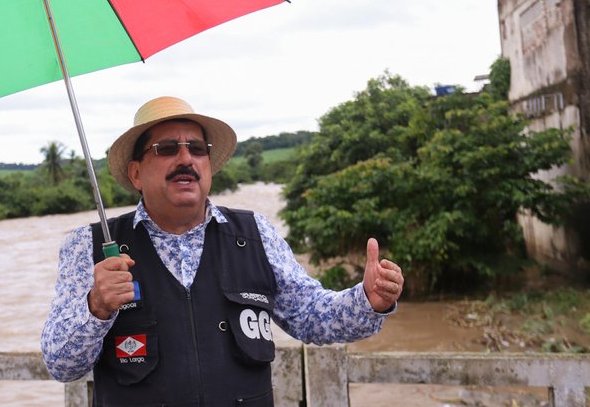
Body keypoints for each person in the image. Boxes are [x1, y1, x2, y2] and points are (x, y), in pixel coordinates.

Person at [41, 96, 404, 406]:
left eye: (197, 149)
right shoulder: (88, 247)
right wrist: (96, 306)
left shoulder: (256, 233)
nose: (186, 159)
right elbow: (61, 364)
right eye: (167, 148)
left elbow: (311, 316)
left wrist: (368, 300)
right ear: (136, 173)